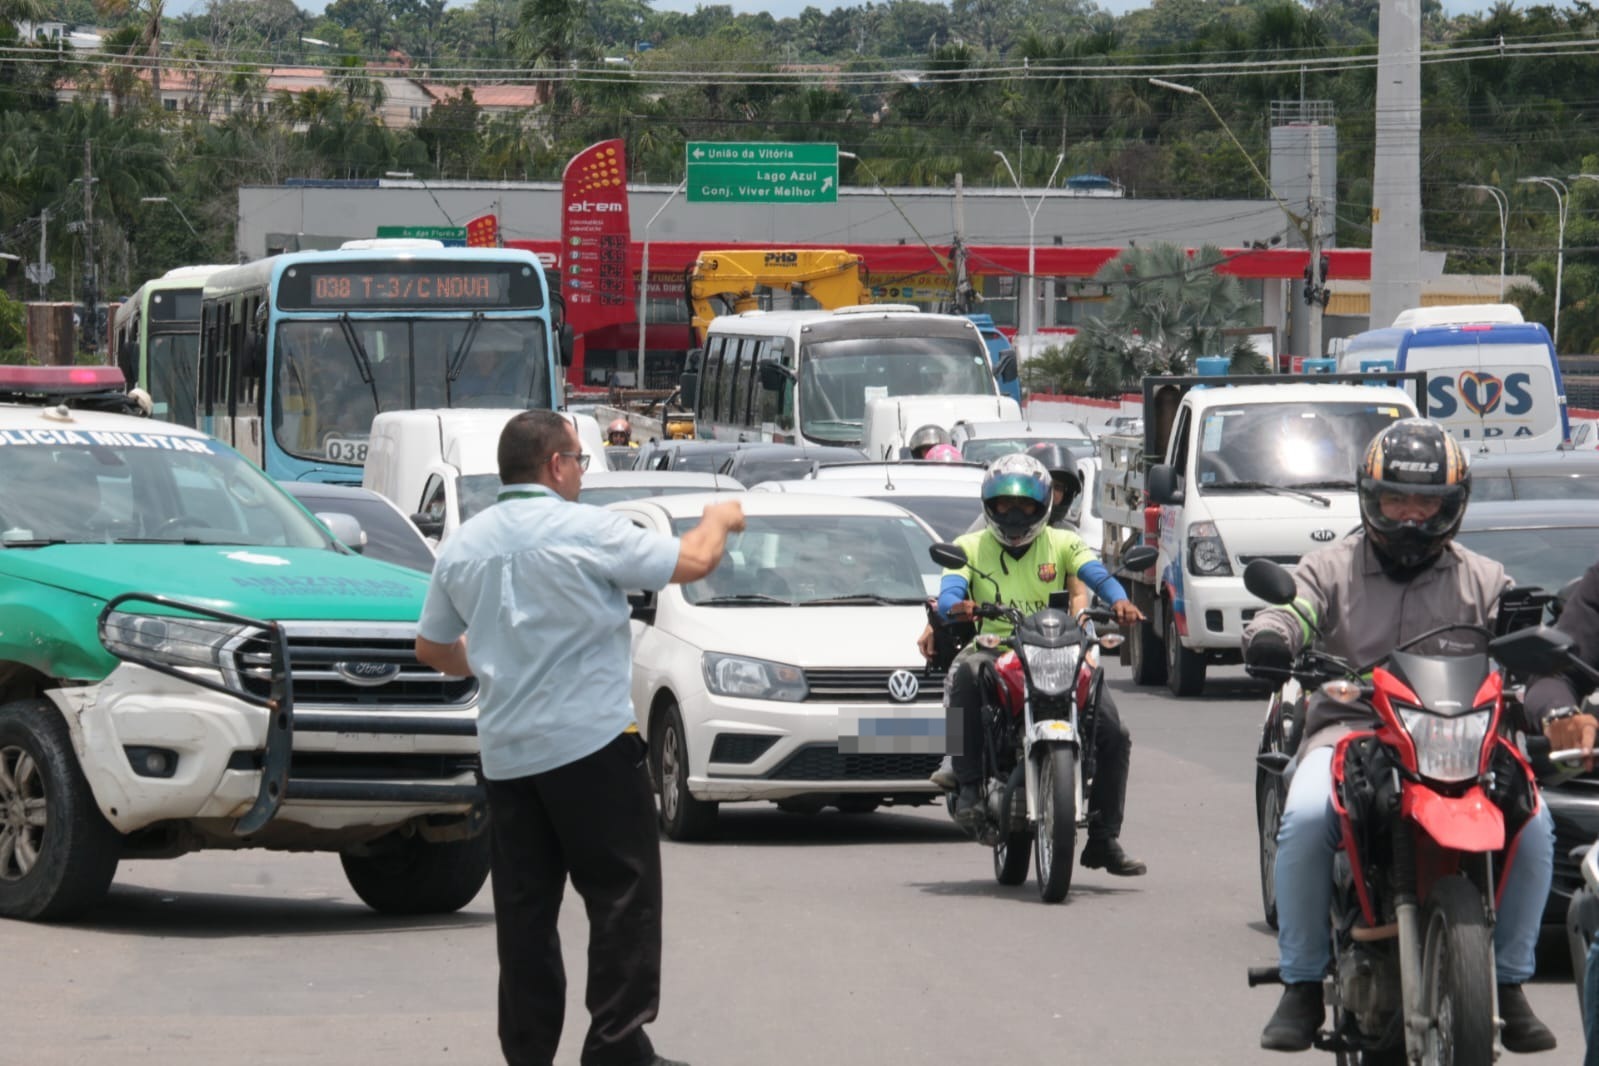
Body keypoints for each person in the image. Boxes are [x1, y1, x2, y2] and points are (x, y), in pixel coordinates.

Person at [415, 409, 746, 1066]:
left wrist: (484, 658)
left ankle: (529, 1055)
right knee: (622, 900)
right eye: (580, 462)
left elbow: (431, 647)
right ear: (556, 465)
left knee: (525, 917)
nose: (581, 474)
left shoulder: (465, 544)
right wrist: (722, 518)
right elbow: (694, 561)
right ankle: (616, 1050)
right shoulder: (586, 530)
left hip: (509, 759)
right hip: (590, 749)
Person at [1242, 418, 1557, 1054]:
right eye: (1397, 500)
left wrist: (1550, 668)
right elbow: (1290, 611)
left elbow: (1530, 635)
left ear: (1452, 507)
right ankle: (1302, 983)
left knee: (1538, 824)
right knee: (1304, 818)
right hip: (1352, 728)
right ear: (1371, 498)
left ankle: (1509, 980)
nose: (1411, 516)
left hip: (1460, 736)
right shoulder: (1329, 568)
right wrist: (1273, 637)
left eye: (1427, 502)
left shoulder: (1483, 578)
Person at [930, 452, 1149, 876]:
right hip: (998, 647)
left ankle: (1104, 837)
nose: (1015, 514)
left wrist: (1120, 600)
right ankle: (968, 781)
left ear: (1043, 506)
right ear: (990, 507)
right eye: (1006, 505)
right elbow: (949, 593)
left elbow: (1096, 575)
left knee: (1114, 732)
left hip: (1058, 648)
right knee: (966, 672)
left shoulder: (1063, 542)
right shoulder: (969, 547)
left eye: (1026, 505)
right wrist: (958, 608)